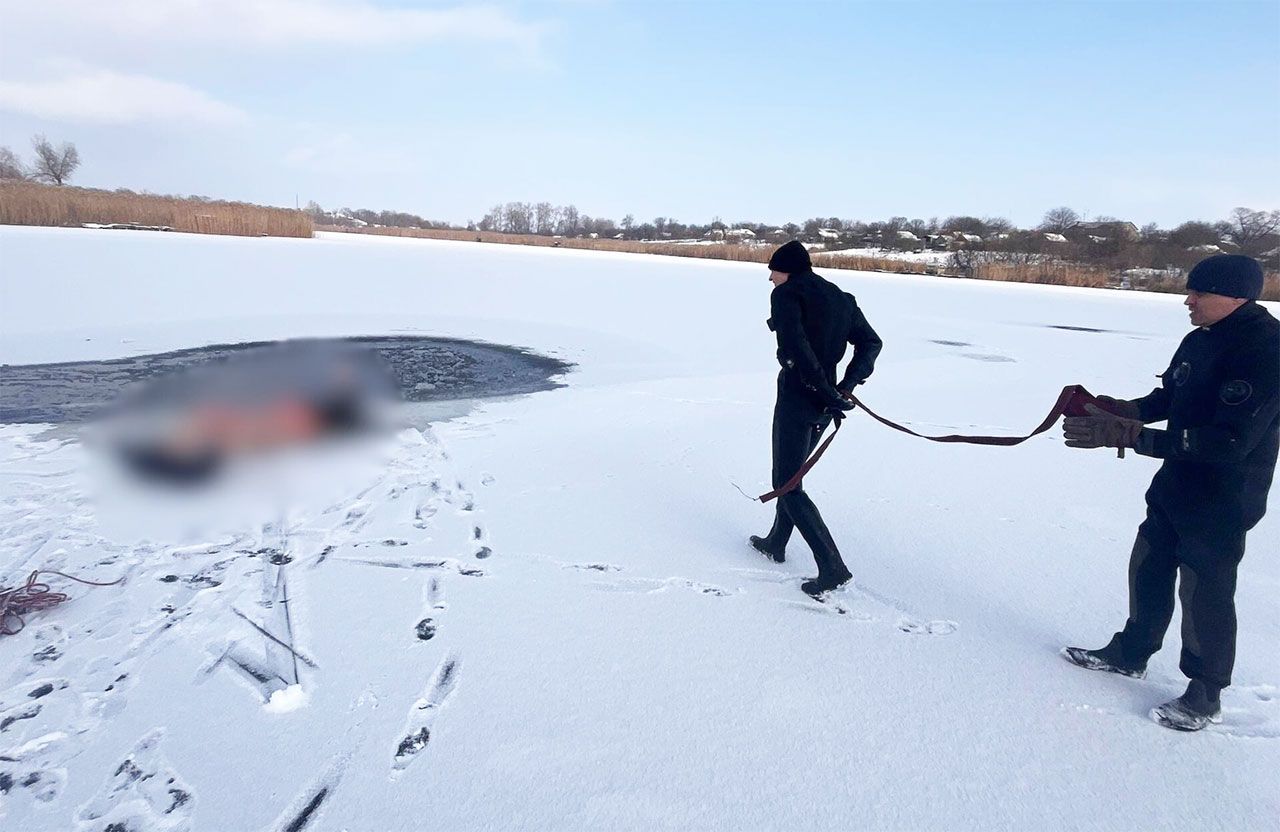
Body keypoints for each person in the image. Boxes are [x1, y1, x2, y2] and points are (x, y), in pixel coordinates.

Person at [1060, 254, 1278, 731]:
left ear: (1238, 296)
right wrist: (1116, 409)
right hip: (1177, 479)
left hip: (1225, 493)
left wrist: (1133, 437)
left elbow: (1231, 442)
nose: (1188, 300)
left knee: (1206, 589)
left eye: (1199, 293)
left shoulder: (1267, 349)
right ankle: (1132, 651)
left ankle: (1205, 691)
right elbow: (1170, 398)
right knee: (1149, 560)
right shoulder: (1199, 340)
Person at [750, 240, 882, 596]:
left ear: (787, 270)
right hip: (824, 403)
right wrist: (844, 387)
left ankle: (832, 567)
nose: (770, 279)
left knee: (787, 483)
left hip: (799, 398)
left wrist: (829, 391)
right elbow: (872, 343)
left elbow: (795, 348)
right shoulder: (841, 297)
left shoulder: (787, 294)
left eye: (772, 272)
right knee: (792, 475)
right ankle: (777, 541)